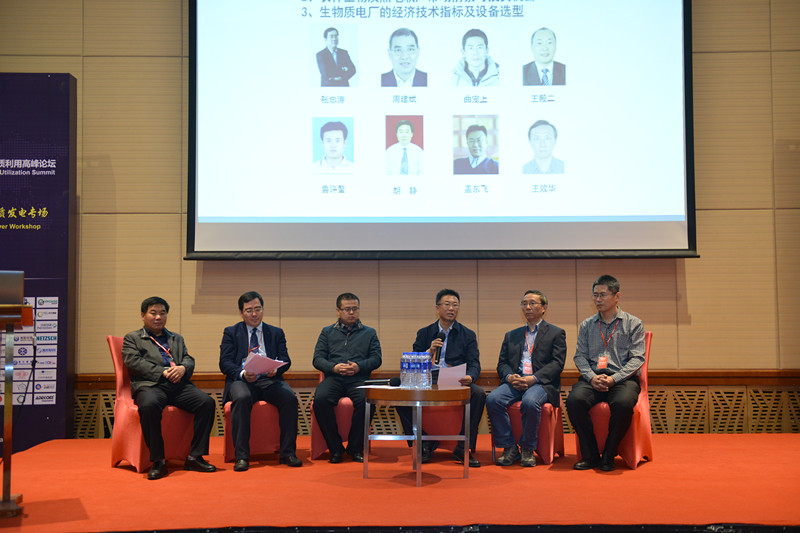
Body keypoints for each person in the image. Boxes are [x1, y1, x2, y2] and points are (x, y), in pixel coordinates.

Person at [122, 296, 217, 480]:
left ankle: (195, 457)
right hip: (150, 385)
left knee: (207, 403)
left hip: (178, 385)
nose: (158, 317)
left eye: (163, 313)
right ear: (143, 315)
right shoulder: (133, 338)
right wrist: (162, 372)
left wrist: (183, 368)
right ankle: (158, 460)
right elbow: (133, 362)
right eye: (153, 313)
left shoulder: (176, 338)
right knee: (149, 405)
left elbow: (188, 358)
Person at [396, 289, 485, 467]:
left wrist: (470, 376)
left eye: (455, 305)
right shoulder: (424, 333)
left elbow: (474, 363)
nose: (451, 308)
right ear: (437, 308)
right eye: (447, 304)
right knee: (399, 394)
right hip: (430, 378)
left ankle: (462, 448)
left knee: (479, 394)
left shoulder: (467, 334)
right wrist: (428, 352)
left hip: (456, 378)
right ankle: (424, 442)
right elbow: (414, 362)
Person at [566, 275, 645, 471]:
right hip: (593, 378)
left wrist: (613, 379)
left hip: (622, 379)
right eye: (595, 295)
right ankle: (591, 455)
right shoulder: (587, 325)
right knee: (574, 401)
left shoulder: (633, 323)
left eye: (603, 295)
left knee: (623, 404)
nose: (598, 299)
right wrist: (592, 377)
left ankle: (609, 454)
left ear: (617, 296)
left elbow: (637, 359)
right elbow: (579, 357)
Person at [219, 291, 301, 472]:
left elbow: (285, 359)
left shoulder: (276, 332)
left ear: (263, 309)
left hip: (269, 380)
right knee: (242, 398)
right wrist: (242, 373)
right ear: (241, 313)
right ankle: (242, 456)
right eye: (249, 310)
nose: (254, 314)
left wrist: (276, 369)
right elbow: (225, 362)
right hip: (243, 381)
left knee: (289, 398)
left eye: (258, 309)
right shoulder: (231, 332)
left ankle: (288, 453)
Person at [486, 290, 566, 467]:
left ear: (544, 308)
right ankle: (509, 447)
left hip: (540, 383)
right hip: (515, 381)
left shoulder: (556, 333)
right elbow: (502, 363)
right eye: (524, 303)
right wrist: (509, 376)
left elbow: (557, 364)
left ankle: (528, 448)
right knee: (493, 400)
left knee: (530, 402)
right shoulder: (512, 335)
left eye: (532, 303)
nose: (527, 307)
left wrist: (534, 378)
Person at [312, 293, 382, 463]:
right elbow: (317, 359)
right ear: (338, 311)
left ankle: (355, 448)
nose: (351, 313)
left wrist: (359, 366)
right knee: (320, 400)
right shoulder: (327, 332)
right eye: (347, 309)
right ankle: (335, 448)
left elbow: (376, 359)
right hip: (334, 378)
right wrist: (334, 367)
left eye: (355, 309)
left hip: (359, 379)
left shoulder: (369, 333)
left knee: (367, 402)